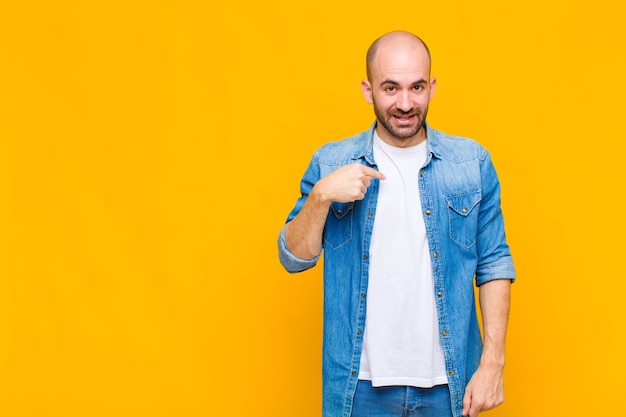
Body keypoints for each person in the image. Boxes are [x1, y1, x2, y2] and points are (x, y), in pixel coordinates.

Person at [278, 31, 515, 417]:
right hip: (359, 388)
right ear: (368, 90)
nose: (405, 104)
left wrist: (493, 364)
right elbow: (294, 258)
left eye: (416, 87)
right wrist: (320, 196)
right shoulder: (331, 161)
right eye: (390, 88)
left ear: (431, 87)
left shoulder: (471, 164)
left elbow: (494, 264)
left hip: (450, 387)